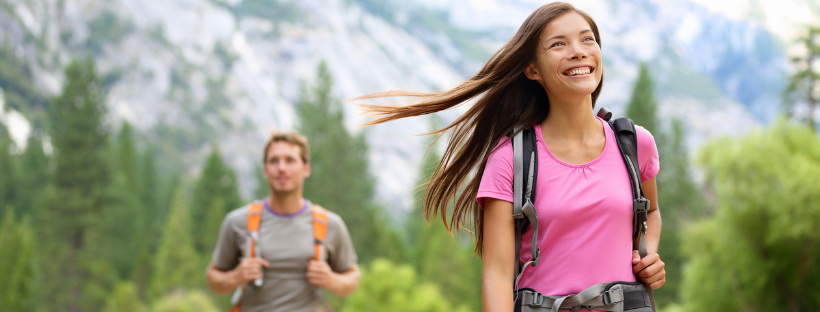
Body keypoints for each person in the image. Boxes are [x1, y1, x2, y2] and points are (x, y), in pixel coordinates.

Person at [357, 2, 665, 311]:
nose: (578, 51)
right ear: (532, 70)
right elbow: (497, 275)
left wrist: (647, 255)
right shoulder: (511, 159)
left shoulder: (635, 143)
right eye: (558, 44)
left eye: (588, 40)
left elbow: (650, 212)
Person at [206, 132, 360, 312]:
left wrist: (332, 280)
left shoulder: (330, 225)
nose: (281, 168)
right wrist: (235, 277)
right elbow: (213, 278)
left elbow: (353, 277)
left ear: (306, 169)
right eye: (274, 161)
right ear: (265, 170)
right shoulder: (238, 222)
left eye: (290, 160)